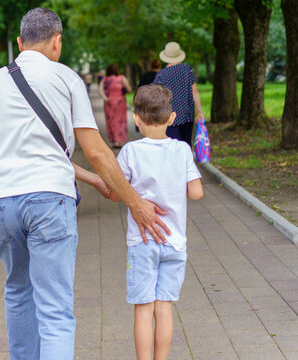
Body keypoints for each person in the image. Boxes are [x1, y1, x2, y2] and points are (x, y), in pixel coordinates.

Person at [0, 8, 171, 360]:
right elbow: (96, 150)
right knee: (54, 307)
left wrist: (95, 180)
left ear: (20, 43)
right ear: (57, 41)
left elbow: (27, 151)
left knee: (19, 292)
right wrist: (135, 203)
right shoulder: (65, 78)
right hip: (48, 201)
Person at [116, 84, 204, 360]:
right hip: (174, 242)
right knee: (163, 306)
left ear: (136, 119)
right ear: (172, 118)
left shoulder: (130, 152)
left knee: (143, 307)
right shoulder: (181, 150)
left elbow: (117, 192)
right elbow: (196, 192)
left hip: (142, 243)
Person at [154, 42, 204, 146]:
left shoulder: (161, 74)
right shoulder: (187, 70)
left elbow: (156, 96)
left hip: (169, 117)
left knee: (171, 147)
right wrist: (199, 111)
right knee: (185, 146)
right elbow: (195, 91)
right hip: (187, 115)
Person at [98, 63, 132, 148]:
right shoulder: (121, 78)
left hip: (109, 102)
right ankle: (118, 140)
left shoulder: (105, 79)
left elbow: (100, 90)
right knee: (120, 121)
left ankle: (113, 140)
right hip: (120, 102)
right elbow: (129, 89)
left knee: (110, 120)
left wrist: (105, 98)